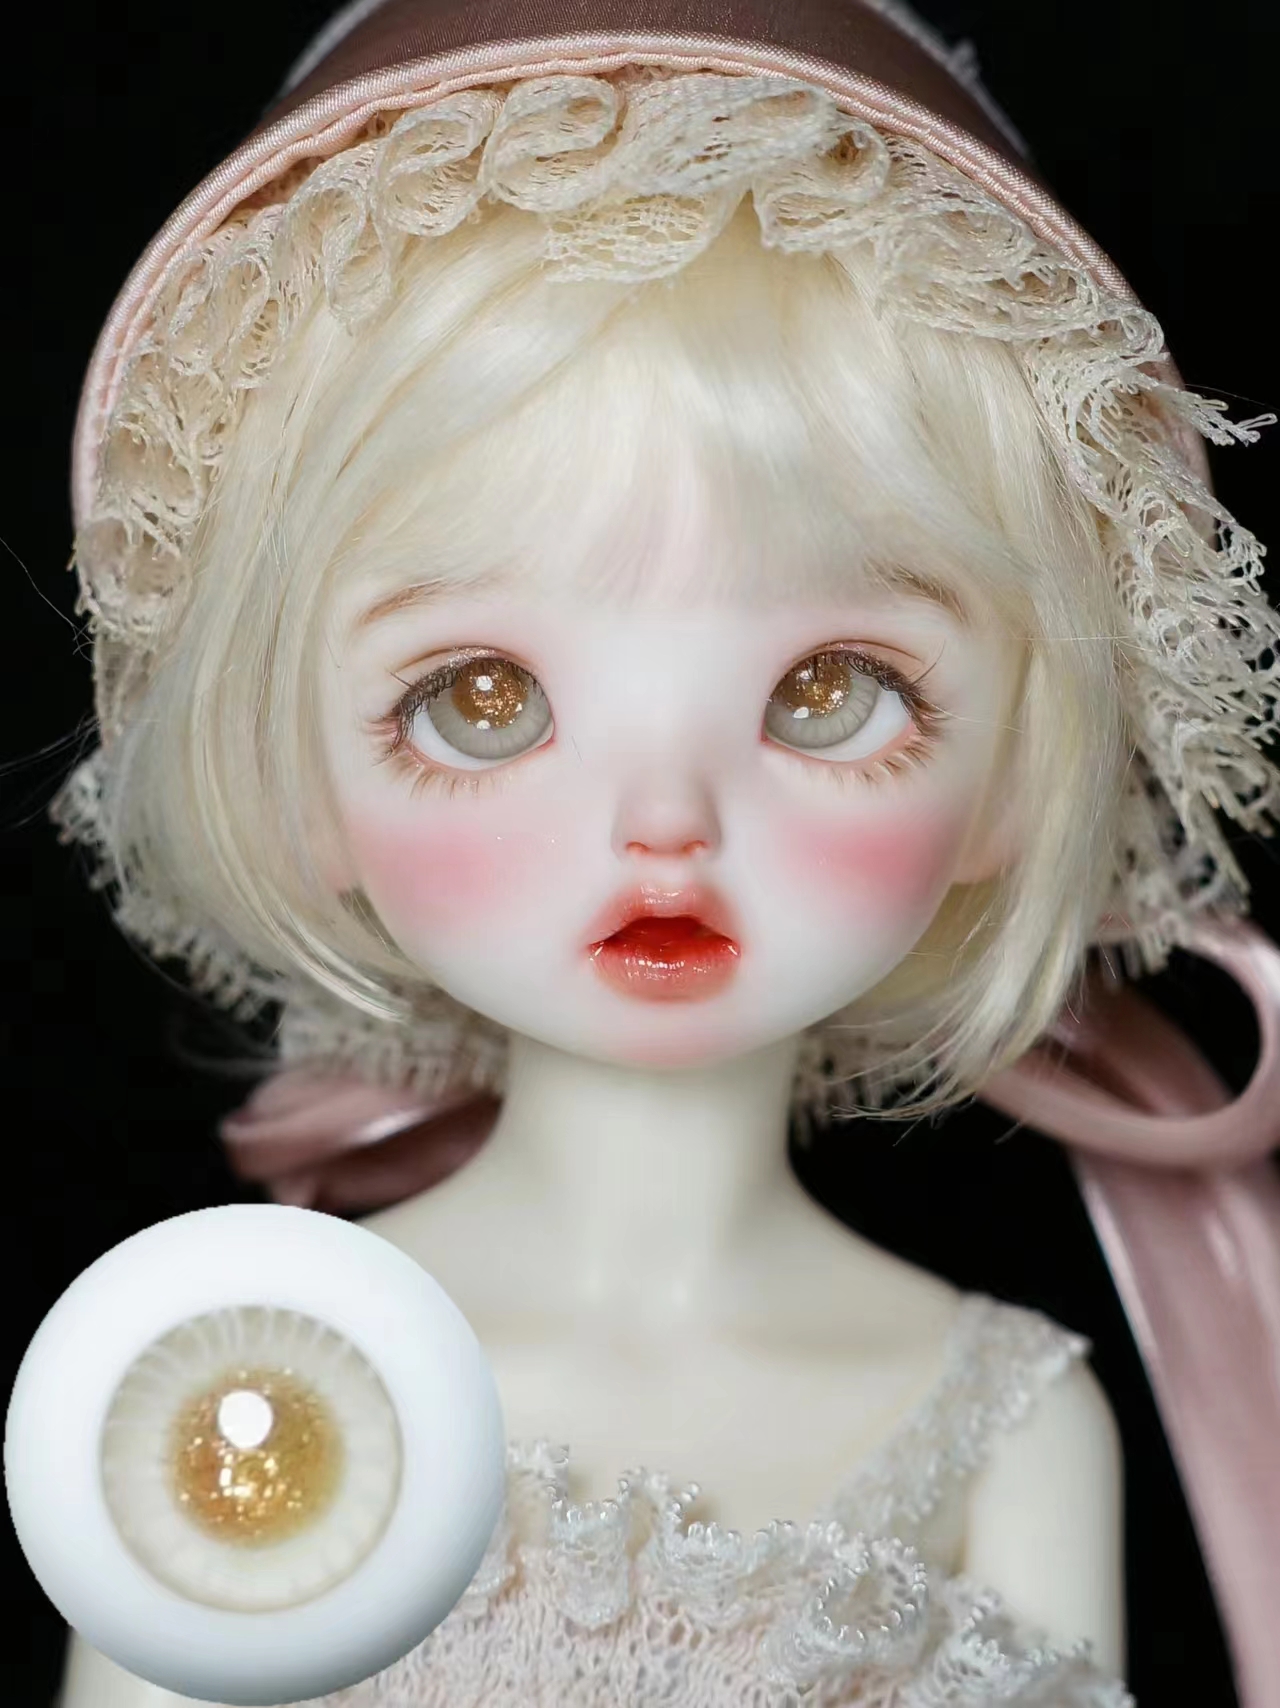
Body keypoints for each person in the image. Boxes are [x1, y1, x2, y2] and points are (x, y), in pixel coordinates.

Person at [50, 0, 1280, 1702]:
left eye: (832, 695)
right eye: (480, 700)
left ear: (1015, 773)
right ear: (294, 771)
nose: (665, 822)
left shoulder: (1014, 1424)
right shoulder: (247, 1381)